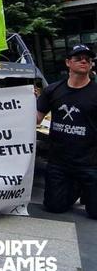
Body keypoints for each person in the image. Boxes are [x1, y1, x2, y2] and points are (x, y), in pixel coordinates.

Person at [36, 44, 97, 219]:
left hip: (90, 162)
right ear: (68, 62)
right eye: (78, 58)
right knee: (54, 207)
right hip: (59, 162)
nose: (84, 61)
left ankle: (84, 187)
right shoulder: (52, 90)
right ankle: (76, 187)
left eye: (88, 59)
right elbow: (36, 118)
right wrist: (24, 100)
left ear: (91, 65)